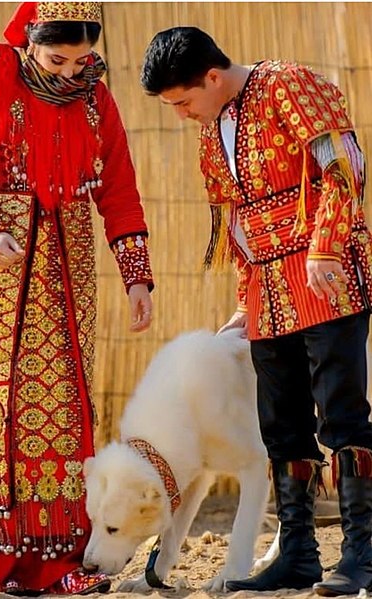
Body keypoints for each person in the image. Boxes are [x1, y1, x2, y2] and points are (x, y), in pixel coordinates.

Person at [0, 2, 154, 596]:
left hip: (64, 270)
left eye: (83, 59)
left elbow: (118, 186)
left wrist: (136, 276)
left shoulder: (96, 100)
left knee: (58, 413)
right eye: (58, 59)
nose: (73, 72)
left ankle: (55, 566)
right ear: (28, 43)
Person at [140, 26, 372, 596]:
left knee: (341, 414)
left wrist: (325, 247)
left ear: (213, 78)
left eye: (183, 102)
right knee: (281, 424)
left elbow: (344, 166)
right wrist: (246, 299)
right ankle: (298, 554)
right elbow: (236, 226)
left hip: (327, 276)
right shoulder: (210, 131)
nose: (181, 115)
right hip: (269, 291)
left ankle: (364, 554)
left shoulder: (291, 84)